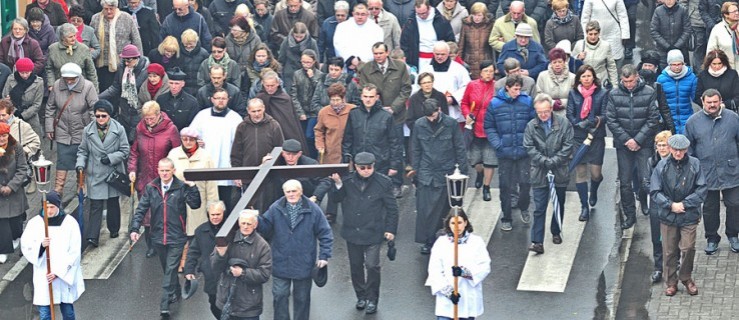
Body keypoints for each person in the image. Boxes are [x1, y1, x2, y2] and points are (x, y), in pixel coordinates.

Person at [130, 157, 201, 318]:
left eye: (167, 170)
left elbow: (195, 204)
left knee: (170, 270)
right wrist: (135, 228)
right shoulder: (151, 187)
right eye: (161, 170)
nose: (164, 173)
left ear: (173, 171)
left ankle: (164, 305)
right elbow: (141, 208)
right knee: (167, 269)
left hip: (176, 237)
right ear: (158, 171)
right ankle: (175, 291)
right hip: (157, 236)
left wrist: (193, 187)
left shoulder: (181, 187)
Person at [329, 152, 398, 314]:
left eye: (369, 167)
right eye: (362, 168)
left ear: (374, 166)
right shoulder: (347, 181)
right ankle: (361, 296)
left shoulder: (383, 182)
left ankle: (372, 299)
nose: (366, 170)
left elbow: (392, 209)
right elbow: (336, 199)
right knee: (355, 266)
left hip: (373, 231)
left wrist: (390, 229)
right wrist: (338, 184)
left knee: (372, 266)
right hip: (352, 231)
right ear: (356, 167)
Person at [257, 179, 333, 320]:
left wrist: (324, 256)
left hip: (303, 263)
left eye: (294, 191)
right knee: (279, 296)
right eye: (288, 192)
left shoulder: (313, 209)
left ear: (301, 191)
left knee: (302, 299)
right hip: (280, 261)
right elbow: (266, 227)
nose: (291, 194)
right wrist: (257, 220)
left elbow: (325, 233)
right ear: (284, 192)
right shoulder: (276, 207)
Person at [650, 134, 707, 296]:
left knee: (688, 247)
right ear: (670, 149)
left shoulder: (695, 164)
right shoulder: (662, 166)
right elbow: (655, 191)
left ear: (686, 149)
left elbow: (702, 189)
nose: (678, 153)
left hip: (688, 215)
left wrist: (684, 204)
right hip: (668, 216)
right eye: (675, 150)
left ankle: (686, 277)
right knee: (669, 251)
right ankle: (671, 282)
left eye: (681, 150)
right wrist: (670, 205)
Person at [606, 64, 661, 230]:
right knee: (625, 182)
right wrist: (627, 140)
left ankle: (645, 202)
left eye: (631, 81)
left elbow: (653, 118)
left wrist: (637, 140)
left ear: (637, 77)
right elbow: (611, 120)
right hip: (624, 145)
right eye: (625, 81)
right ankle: (630, 215)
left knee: (646, 180)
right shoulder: (614, 94)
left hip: (643, 143)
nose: (628, 84)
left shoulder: (649, 92)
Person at [685, 89, 739, 255]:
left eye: (715, 102)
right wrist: (694, 171)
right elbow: (689, 149)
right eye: (709, 102)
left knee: (735, 204)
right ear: (702, 102)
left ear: (720, 100)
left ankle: (733, 235)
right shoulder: (693, 122)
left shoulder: (733, 118)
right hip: (706, 172)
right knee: (709, 208)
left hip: (732, 171)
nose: (712, 105)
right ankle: (711, 238)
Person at [409, 99, 467, 253]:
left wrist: (463, 172)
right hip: (427, 171)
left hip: (447, 171)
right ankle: (428, 240)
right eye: (428, 117)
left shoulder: (451, 124)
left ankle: (447, 238)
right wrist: (416, 171)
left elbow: (459, 147)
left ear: (439, 110)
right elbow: (415, 149)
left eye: (433, 115)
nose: (431, 119)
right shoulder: (420, 125)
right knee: (425, 210)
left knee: (446, 209)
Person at [128, 101, 181, 257]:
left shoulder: (171, 130)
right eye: (146, 118)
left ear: (159, 115)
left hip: (164, 177)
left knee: (162, 211)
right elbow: (134, 152)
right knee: (146, 213)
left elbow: (177, 154)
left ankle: (164, 242)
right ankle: (151, 245)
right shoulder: (140, 128)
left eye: (151, 118)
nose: (148, 121)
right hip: (145, 178)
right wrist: (132, 169)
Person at [20, 191, 85, 318]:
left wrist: (58, 273)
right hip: (44, 273)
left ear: (58, 206)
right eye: (46, 207)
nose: (49, 211)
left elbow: (74, 251)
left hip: (64, 276)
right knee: (44, 313)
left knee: (67, 311)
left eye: (52, 207)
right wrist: (40, 247)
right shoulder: (35, 223)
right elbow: (26, 245)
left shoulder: (69, 223)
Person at [360, 42, 413, 196]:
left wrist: (393, 107)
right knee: (377, 147)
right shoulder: (367, 69)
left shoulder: (400, 67)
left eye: (380, 53)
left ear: (387, 52)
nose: (378, 56)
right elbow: (364, 89)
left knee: (395, 147)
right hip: (374, 115)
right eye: (375, 53)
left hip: (395, 115)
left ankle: (396, 183)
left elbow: (406, 89)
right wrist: (376, 107)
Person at [523, 93, 574, 253]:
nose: (543, 115)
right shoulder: (531, 126)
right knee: (539, 207)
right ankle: (537, 241)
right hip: (539, 171)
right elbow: (529, 147)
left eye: (545, 111)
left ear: (551, 109)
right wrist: (544, 161)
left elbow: (568, 145)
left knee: (558, 203)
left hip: (559, 170)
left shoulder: (564, 124)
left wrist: (554, 161)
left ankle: (556, 230)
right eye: (540, 112)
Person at [75, 100, 130, 247]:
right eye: (97, 116)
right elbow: (83, 150)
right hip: (95, 172)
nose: (100, 119)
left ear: (109, 116)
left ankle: (114, 228)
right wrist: (80, 165)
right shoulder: (88, 130)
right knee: (96, 205)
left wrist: (111, 158)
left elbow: (125, 150)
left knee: (113, 203)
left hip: (113, 173)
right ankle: (92, 236)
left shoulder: (119, 129)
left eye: (103, 116)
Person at [484, 75, 534, 232]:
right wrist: (498, 144)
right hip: (505, 152)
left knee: (525, 183)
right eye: (515, 89)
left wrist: (529, 142)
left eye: (520, 89)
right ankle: (506, 216)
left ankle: (524, 206)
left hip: (523, 151)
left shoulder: (526, 102)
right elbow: (489, 126)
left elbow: (533, 124)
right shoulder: (495, 104)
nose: (517, 92)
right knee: (505, 186)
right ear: (507, 88)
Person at [425, 210, 491, 320]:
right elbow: (434, 270)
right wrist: (449, 292)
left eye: (459, 223)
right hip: (447, 303)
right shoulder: (441, 243)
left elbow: (484, 266)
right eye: (453, 223)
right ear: (448, 224)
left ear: (465, 223)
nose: (456, 227)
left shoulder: (476, 242)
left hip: (468, 299)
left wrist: (464, 273)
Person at [45, 63, 98, 197]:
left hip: (82, 129)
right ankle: (58, 188)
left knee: (82, 160)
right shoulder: (57, 85)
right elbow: (50, 107)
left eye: (72, 78)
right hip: (63, 129)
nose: (69, 81)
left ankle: (81, 185)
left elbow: (94, 109)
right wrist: (49, 127)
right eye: (66, 78)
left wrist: (93, 129)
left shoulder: (88, 86)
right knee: (62, 160)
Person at [211, 209, 272, 320]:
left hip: (249, 306)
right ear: (239, 223)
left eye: (249, 224)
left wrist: (243, 273)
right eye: (243, 223)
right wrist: (220, 254)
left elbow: (264, 274)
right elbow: (215, 267)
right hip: (227, 298)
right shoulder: (227, 239)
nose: (245, 226)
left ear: (255, 224)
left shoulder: (262, 246)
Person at [190, 89, 243, 214]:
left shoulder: (235, 118)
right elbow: (190, 136)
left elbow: (240, 144)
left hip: (226, 166)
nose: (220, 101)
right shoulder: (201, 116)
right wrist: (196, 142)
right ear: (212, 99)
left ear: (228, 100)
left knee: (225, 204)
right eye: (218, 98)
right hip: (206, 166)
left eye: (223, 98)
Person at [342, 84, 403, 191]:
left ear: (377, 97)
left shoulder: (386, 116)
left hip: (380, 163)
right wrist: (347, 160)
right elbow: (347, 139)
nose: (368, 100)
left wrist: (393, 165)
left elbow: (394, 142)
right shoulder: (353, 114)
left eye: (371, 97)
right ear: (361, 96)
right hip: (359, 162)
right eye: (365, 96)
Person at [566, 65, 608, 222]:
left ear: (593, 77)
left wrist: (594, 121)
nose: (586, 79)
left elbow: (605, 114)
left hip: (596, 136)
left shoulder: (602, 93)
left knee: (596, 173)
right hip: (578, 136)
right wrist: (578, 124)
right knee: (581, 173)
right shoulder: (573, 93)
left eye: (589, 76)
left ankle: (594, 190)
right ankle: (584, 206)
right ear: (579, 79)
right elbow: (569, 113)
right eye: (583, 77)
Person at [167, 127, 219, 239]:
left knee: (198, 234)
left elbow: (211, 184)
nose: (188, 142)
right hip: (177, 201)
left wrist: (212, 205)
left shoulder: (205, 156)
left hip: (199, 201)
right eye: (185, 139)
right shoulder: (173, 154)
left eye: (191, 139)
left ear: (196, 140)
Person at [98, 44, 150, 143]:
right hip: (124, 110)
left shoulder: (146, 71)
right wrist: (98, 97)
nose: (126, 63)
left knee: (135, 141)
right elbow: (115, 87)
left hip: (138, 111)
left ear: (137, 58)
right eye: (124, 60)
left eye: (129, 60)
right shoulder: (122, 67)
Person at [461, 61, 497, 201]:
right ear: (480, 72)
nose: (488, 74)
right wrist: (467, 115)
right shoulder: (472, 85)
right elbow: (464, 103)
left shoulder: (497, 87)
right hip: (475, 127)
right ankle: (479, 173)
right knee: (475, 160)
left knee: (490, 160)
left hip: (490, 128)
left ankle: (486, 187)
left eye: (491, 71)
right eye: (486, 71)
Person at [184, 201, 226, 318]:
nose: (215, 217)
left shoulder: (231, 229)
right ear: (208, 214)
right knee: (214, 304)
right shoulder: (201, 231)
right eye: (213, 214)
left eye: (218, 214)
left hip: (227, 274)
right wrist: (189, 270)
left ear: (223, 213)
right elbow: (193, 252)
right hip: (211, 275)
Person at [90, 0, 143, 90]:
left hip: (123, 63)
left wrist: (138, 60)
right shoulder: (95, 18)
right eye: (106, 9)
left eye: (111, 8)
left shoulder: (126, 18)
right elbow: (90, 37)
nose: (109, 11)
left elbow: (136, 40)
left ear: (116, 7)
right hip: (102, 64)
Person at [256, 71, 308, 150]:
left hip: (285, 133)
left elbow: (290, 122)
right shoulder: (260, 98)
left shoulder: (285, 98)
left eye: (272, 85)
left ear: (278, 83)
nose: (270, 88)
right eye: (267, 86)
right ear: (263, 83)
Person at [0, 122, 29, 264]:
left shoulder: (17, 147)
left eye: (4, 135)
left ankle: (17, 237)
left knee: (15, 222)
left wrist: (11, 186)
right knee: (2, 223)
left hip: (15, 192)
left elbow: (22, 168)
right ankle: (4, 250)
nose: (2, 139)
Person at [646, 130, 673, 283]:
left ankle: (673, 265)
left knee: (673, 238)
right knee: (657, 238)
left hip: (671, 205)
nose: (662, 148)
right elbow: (647, 183)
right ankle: (658, 267)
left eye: (664, 145)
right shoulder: (651, 161)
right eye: (659, 145)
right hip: (657, 204)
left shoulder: (676, 161)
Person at [400, 0, 456, 70]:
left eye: (424, 13)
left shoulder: (441, 21)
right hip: (417, 60)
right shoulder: (410, 22)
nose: (421, 16)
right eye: (418, 13)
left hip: (438, 59)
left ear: (429, 8)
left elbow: (450, 40)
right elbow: (404, 43)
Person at [0, 99, 40, 195]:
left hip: (15, 166)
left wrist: (23, 152)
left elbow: (36, 142)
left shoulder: (22, 126)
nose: (0, 118)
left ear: (11, 113)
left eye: (3, 115)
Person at [46, 23, 99, 92]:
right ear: (63, 38)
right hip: (60, 88)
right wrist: (51, 84)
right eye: (70, 37)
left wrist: (94, 91)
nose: (74, 38)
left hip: (80, 89)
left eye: (74, 35)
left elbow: (91, 71)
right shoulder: (53, 49)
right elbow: (49, 68)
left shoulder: (84, 49)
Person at [290, 49, 323, 158]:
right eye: (303, 62)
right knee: (301, 137)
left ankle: (313, 158)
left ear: (314, 61)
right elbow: (293, 94)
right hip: (301, 110)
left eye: (308, 62)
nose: (305, 65)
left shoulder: (320, 75)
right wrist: (300, 112)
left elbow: (320, 92)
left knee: (310, 136)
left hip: (314, 112)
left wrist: (312, 78)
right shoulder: (297, 74)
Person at [656, 50, 697, 134]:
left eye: (679, 64)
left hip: (686, 117)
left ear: (683, 63)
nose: (677, 67)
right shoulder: (661, 79)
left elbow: (695, 98)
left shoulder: (691, 77)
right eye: (674, 65)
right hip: (668, 119)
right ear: (669, 65)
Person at [637, 50, 676, 134]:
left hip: (654, 122)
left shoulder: (659, 84)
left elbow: (664, 108)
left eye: (650, 66)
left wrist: (671, 128)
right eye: (645, 65)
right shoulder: (634, 81)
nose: (647, 68)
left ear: (656, 67)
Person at [3, 58, 44, 137]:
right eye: (22, 73)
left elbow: (37, 104)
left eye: (27, 72)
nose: (25, 75)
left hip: (31, 116)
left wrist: (23, 115)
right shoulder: (11, 79)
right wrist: (15, 111)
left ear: (31, 71)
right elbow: (5, 96)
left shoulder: (38, 82)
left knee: (33, 141)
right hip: (13, 114)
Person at [572, 21, 619, 88]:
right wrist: (578, 57)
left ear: (599, 33)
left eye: (595, 34)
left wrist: (615, 85)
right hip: (584, 81)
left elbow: (611, 66)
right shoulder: (579, 45)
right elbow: (571, 63)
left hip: (601, 80)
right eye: (590, 34)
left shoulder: (606, 46)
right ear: (586, 33)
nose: (593, 37)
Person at [581, 0, 630, 64]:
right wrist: (586, 35)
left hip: (613, 34)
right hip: (595, 35)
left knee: (615, 58)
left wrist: (625, 35)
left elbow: (623, 16)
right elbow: (585, 18)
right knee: (596, 60)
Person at [226, 15, 263, 96]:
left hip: (250, 74)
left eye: (235, 30)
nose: (232, 32)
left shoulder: (255, 39)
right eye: (231, 29)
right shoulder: (228, 39)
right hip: (234, 75)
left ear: (243, 30)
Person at [458, 3, 493, 80]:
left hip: (485, 61)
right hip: (469, 61)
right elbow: (461, 45)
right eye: (474, 15)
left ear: (484, 15)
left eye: (479, 15)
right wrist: (459, 62)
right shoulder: (466, 25)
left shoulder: (490, 25)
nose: (476, 18)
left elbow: (492, 46)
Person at [650, 0, 692, 66]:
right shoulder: (658, 11)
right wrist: (667, 46)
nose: (669, 1)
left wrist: (677, 46)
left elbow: (687, 30)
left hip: (681, 49)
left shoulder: (683, 10)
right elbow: (654, 31)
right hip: (662, 50)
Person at [278, 23, 318, 91]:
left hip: (306, 73)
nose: (298, 39)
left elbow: (316, 61)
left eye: (301, 37)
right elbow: (281, 59)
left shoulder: (312, 43)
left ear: (305, 33)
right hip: (289, 73)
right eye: (296, 36)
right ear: (293, 33)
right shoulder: (286, 42)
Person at [536, 48, 575, 117]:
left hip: (567, 113)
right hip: (546, 112)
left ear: (564, 62)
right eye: (554, 62)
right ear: (550, 63)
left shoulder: (572, 77)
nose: (557, 65)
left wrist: (562, 103)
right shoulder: (542, 76)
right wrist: (552, 103)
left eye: (560, 62)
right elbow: (538, 95)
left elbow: (575, 97)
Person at [707, 2, 739, 69]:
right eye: (734, 11)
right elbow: (710, 52)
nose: (737, 13)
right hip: (726, 70)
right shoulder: (717, 29)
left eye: (737, 10)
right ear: (726, 15)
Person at [180, 29, 210, 96]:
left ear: (196, 42)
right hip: (183, 88)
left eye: (191, 44)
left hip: (199, 88)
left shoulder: (204, 54)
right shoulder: (179, 54)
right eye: (186, 44)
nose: (188, 46)